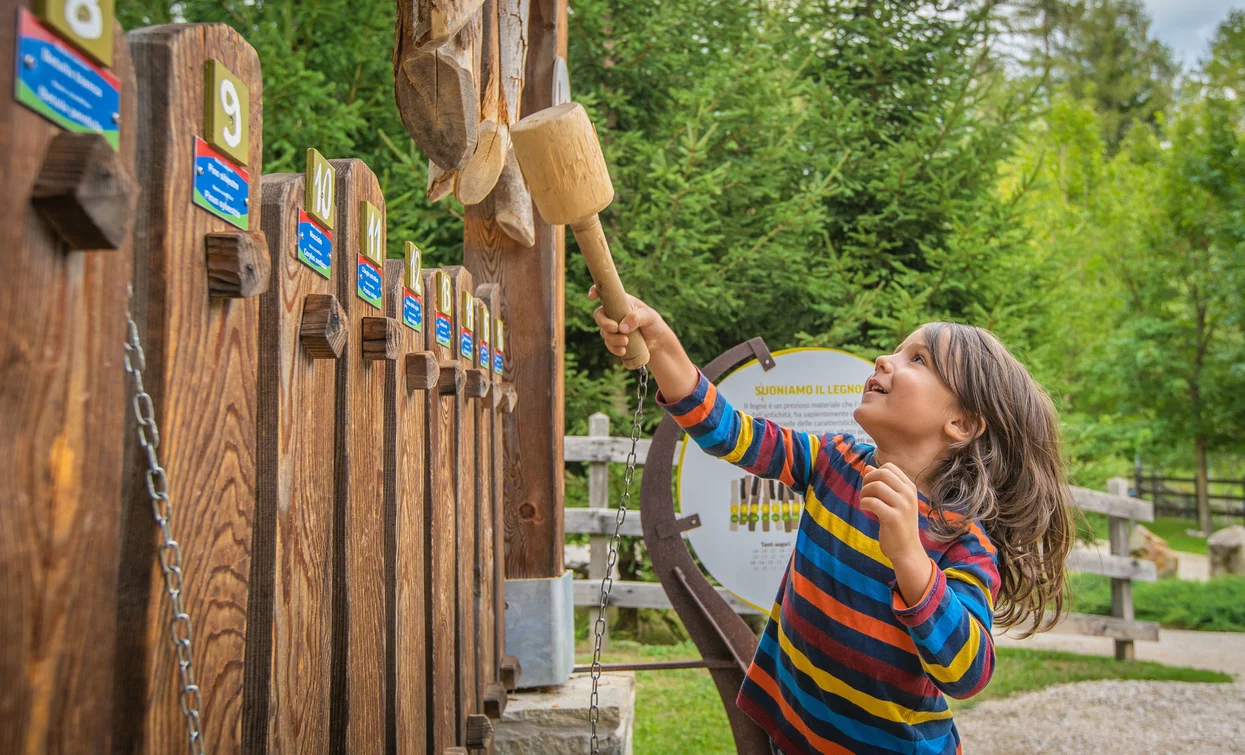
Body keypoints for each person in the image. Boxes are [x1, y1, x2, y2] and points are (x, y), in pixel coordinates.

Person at [589, 286, 1073, 755]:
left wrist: (909, 556)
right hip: (796, 733)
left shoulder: (963, 542)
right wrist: (661, 344)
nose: (886, 360)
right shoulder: (834, 462)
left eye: (917, 360)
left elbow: (967, 672)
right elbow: (730, 431)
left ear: (962, 425)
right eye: (897, 350)